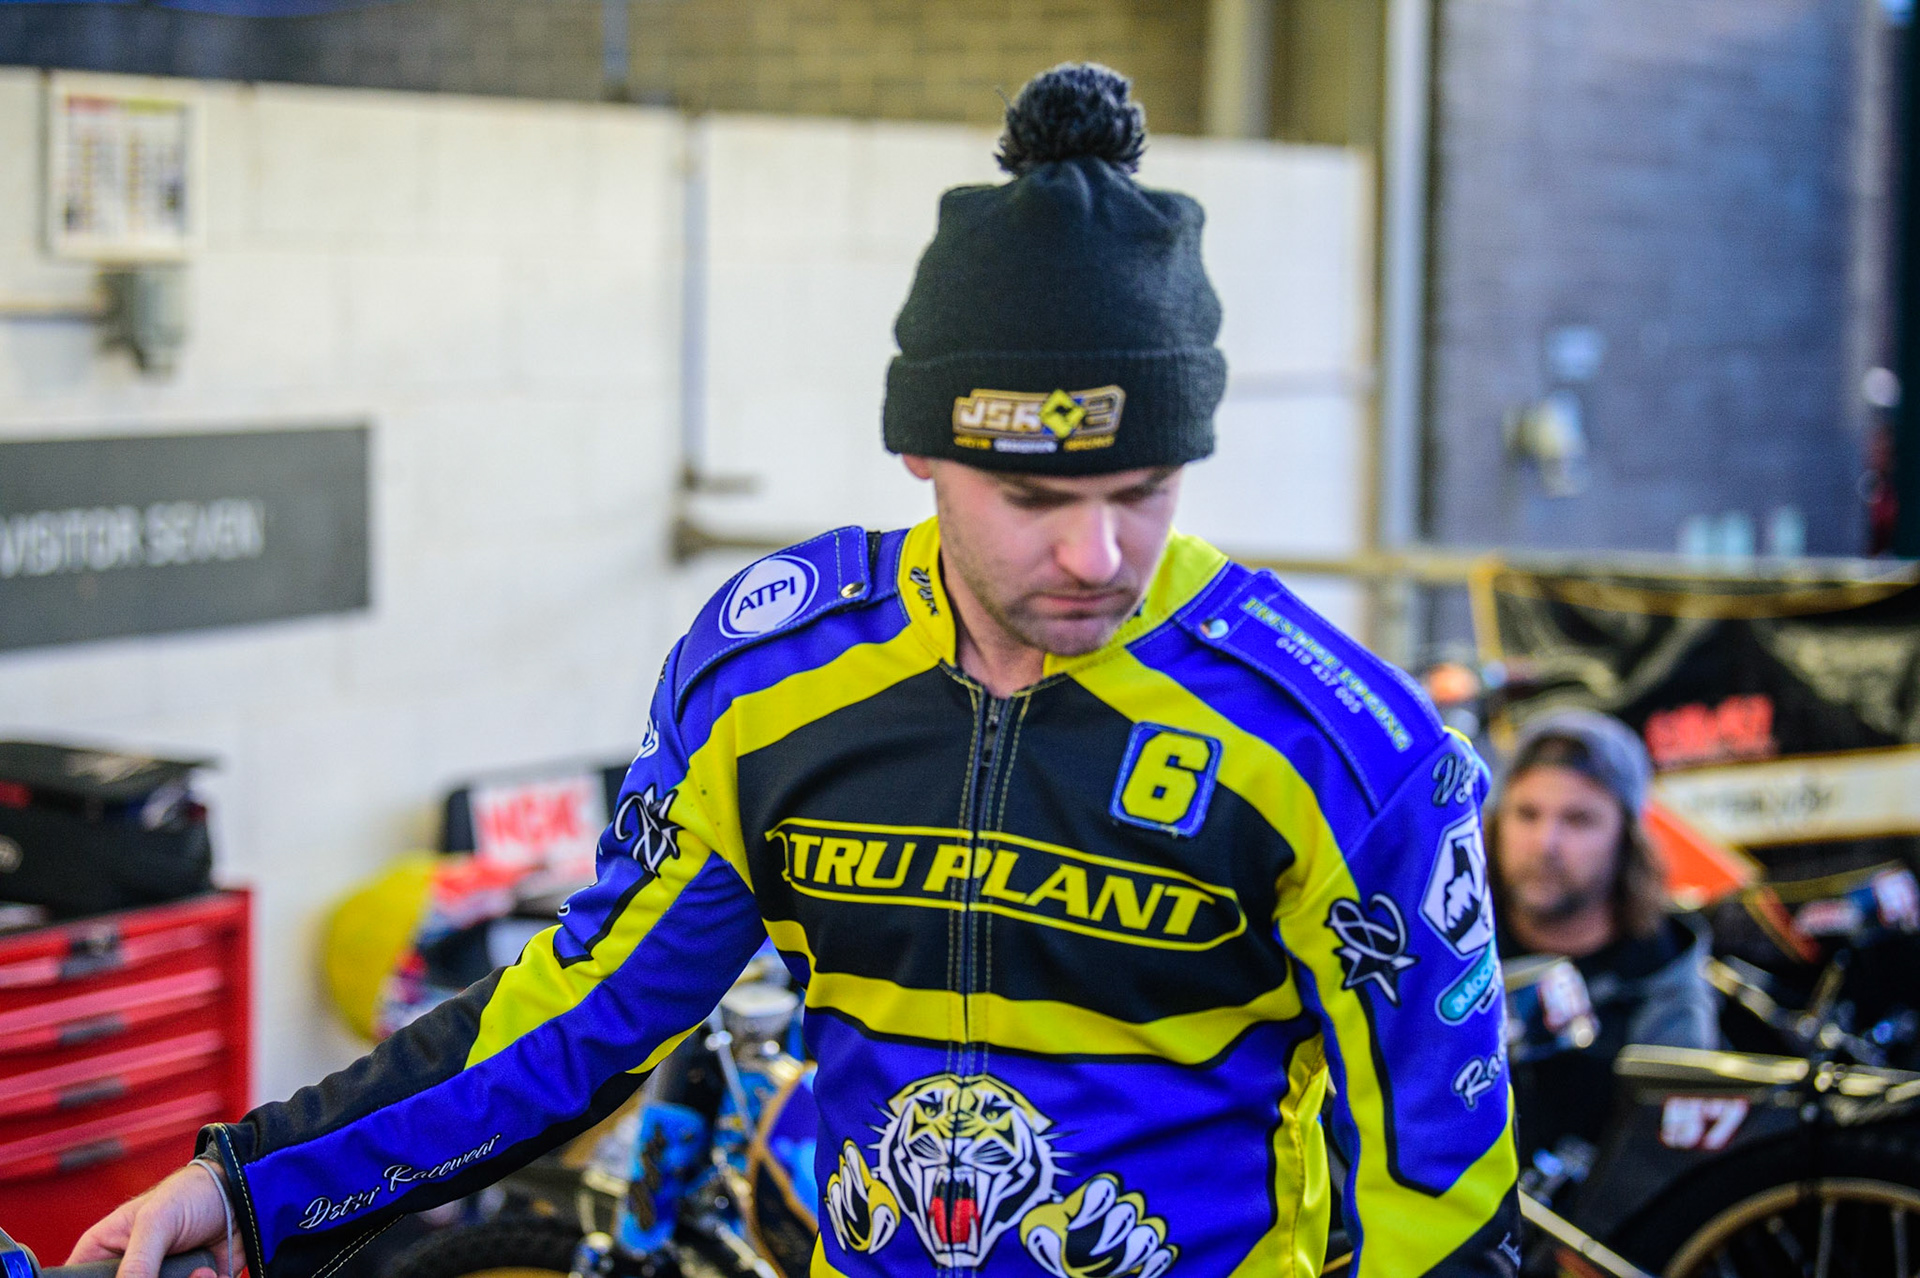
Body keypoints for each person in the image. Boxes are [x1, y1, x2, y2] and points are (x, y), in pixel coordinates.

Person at [75, 64, 1518, 1278]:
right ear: (924, 453)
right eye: (1034, 496)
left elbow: (1437, 1197)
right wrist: (250, 1188)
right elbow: (578, 1021)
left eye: (1142, 490)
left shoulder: (1346, 747)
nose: (1096, 553)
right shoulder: (773, 676)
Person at [1488, 708, 1719, 1162]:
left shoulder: (1665, 985)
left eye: (1579, 820)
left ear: (1627, 839)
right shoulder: (1445, 954)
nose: (1546, 844)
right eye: (1527, 814)